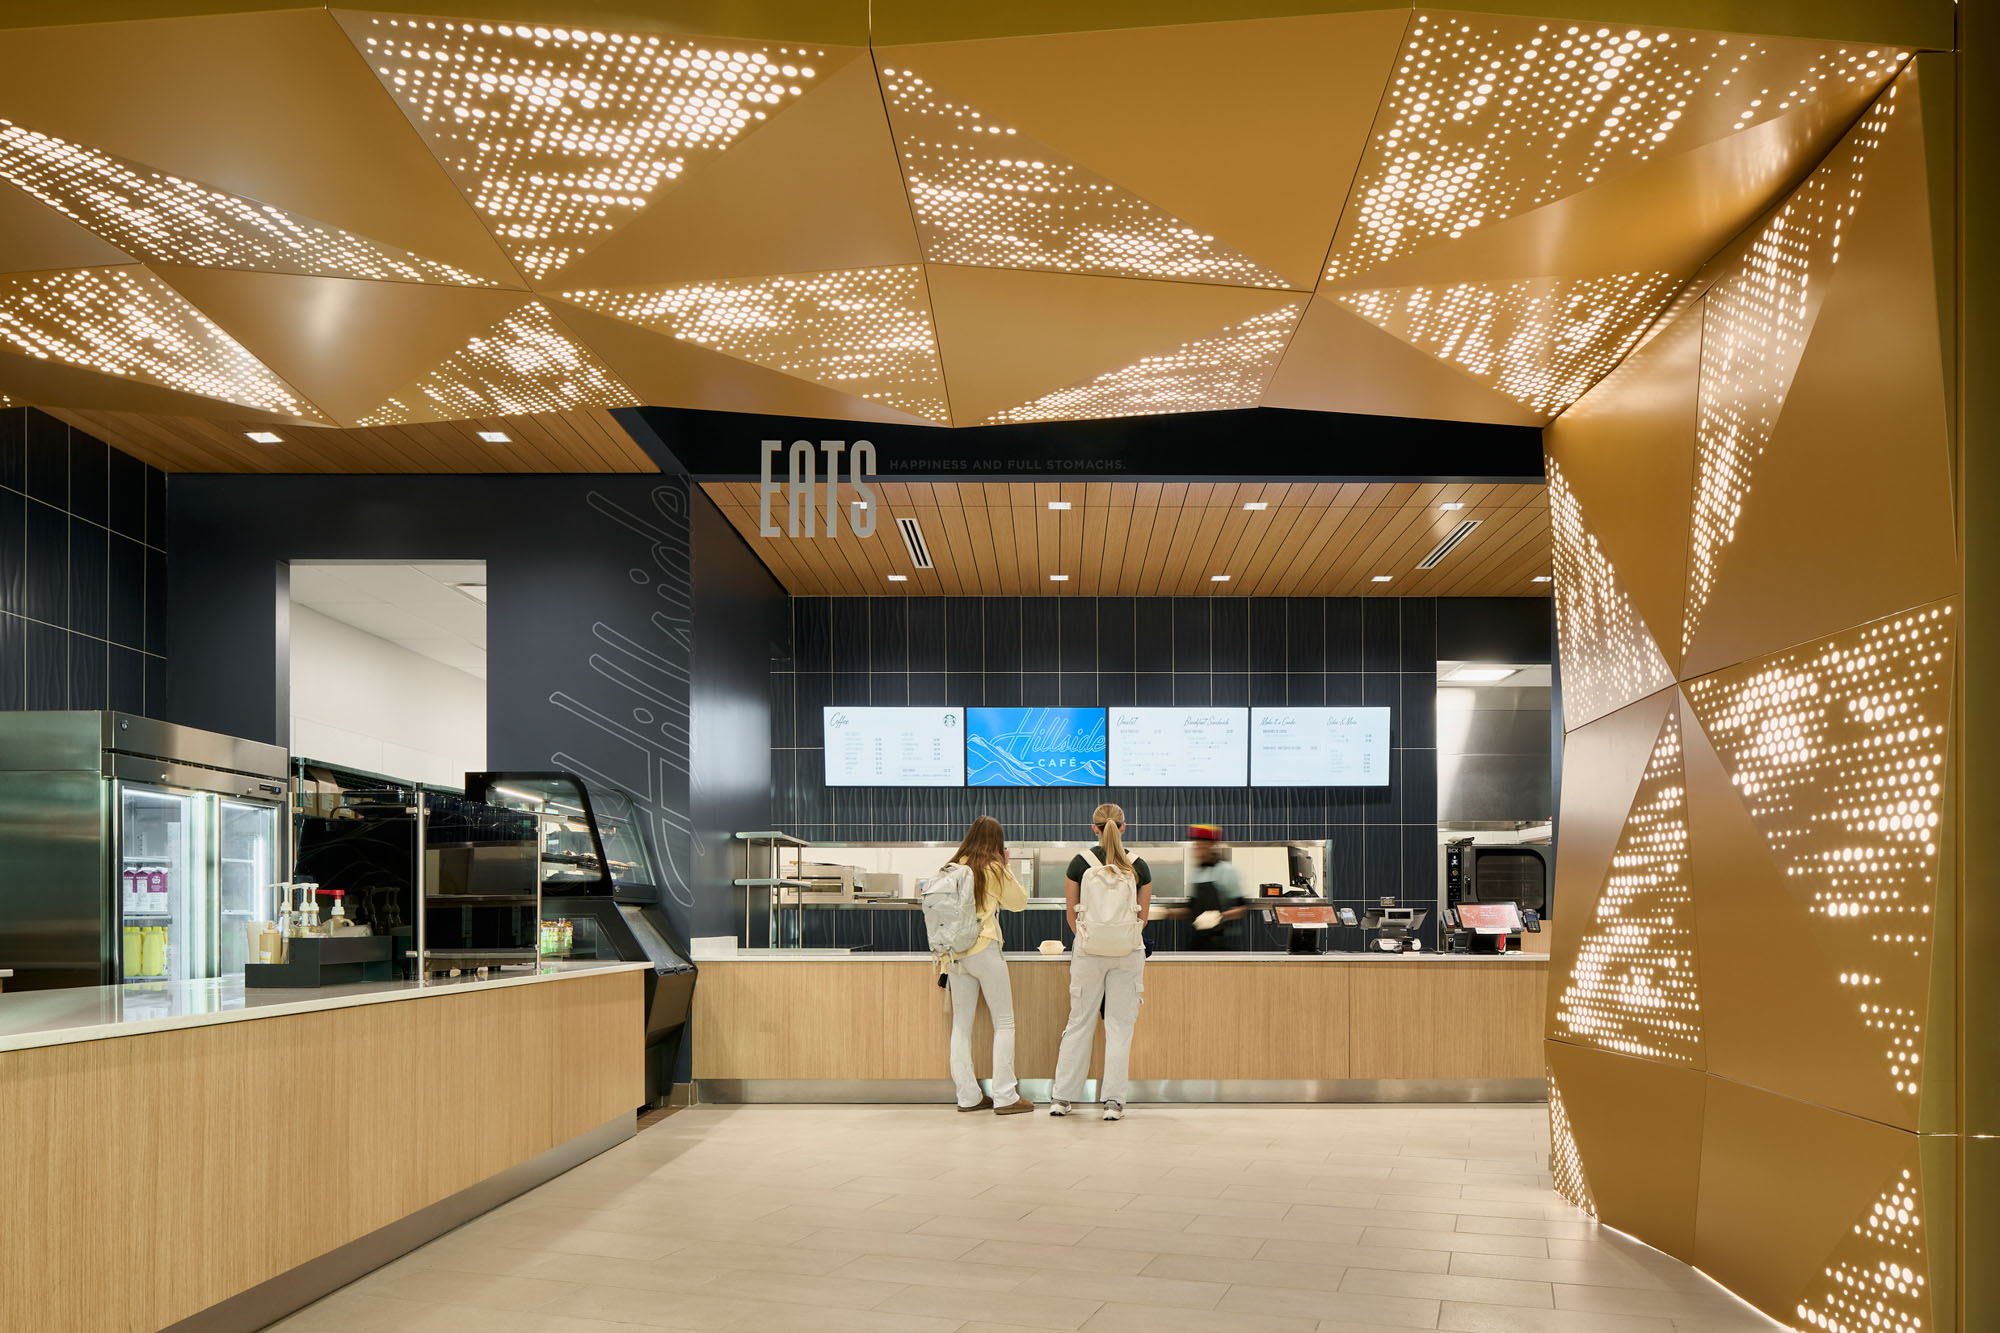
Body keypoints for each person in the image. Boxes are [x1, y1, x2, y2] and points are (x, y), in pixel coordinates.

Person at [1051, 802, 1149, 1121]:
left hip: (1089, 953)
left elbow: (1071, 916)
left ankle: (1062, 1099)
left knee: (1079, 1022)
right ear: (1123, 827)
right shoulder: (1139, 866)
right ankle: (1113, 1102)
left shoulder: (1080, 863)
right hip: (1127, 953)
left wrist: (1093, 938)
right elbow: (1142, 918)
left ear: (1094, 828)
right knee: (1119, 1027)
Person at [941, 815, 1035, 1114]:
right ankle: (1006, 1095)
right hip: (983, 948)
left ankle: (968, 1096)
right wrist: (1006, 866)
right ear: (997, 842)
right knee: (1004, 1023)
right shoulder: (993, 867)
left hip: (954, 954)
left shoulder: (953, 866)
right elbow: (1020, 902)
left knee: (961, 1025)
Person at [1160, 825, 1254, 951]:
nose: (1198, 851)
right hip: (1197, 940)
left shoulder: (1227, 871)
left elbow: (1243, 908)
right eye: (1196, 847)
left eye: (1202, 847)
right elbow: (1191, 909)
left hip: (1222, 941)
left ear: (1211, 846)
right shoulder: (1197, 872)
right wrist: (1166, 913)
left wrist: (1219, 917)